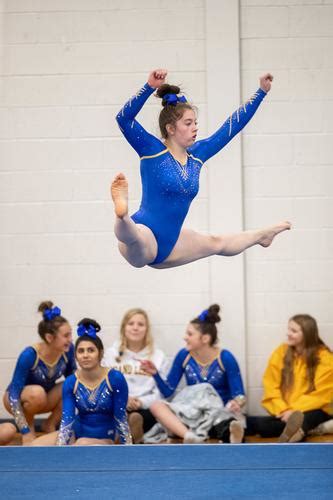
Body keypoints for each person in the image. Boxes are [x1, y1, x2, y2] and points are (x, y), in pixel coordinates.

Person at [111, 68, 290, 269]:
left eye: (195, 123)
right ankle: (122, 213)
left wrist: (261, 92)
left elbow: (232, 127)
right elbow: (123, 119)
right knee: (138, 243)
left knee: (217, 243)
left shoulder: (197, 156)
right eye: (188, 123)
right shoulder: (152, 150)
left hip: (171, 244)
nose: (195, 127)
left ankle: (262, 236)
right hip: (144, 232)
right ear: (170, 129)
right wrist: (149, 87)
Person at [140, 304, 246, 443]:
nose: (185, 337)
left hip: (217, 412)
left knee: (227, 420)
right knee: (156, 406)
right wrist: (155, 374)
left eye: (190, 334)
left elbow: (239, 394)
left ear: (205, 338)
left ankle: (229, 432)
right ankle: (190, 436)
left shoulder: (225, 358)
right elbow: (168, 392)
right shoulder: (184, 356)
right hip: (191, 412)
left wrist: (236, 403)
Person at [32, 318, 132, 446]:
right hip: (78, 433)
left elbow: (120, 417)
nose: (85, 355)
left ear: (100, 354)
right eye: (81, 351)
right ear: (76, 356)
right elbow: (67, 420)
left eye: (91, 350)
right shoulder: (71, 382)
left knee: (82, 443)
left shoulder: (115, 378)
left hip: (107, 436)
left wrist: (128, 450)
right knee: (35, 446)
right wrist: (59, 448)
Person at [248, 314, 333, 442]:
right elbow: (271, 386)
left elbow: (321, 395)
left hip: (313, 410)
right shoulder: (281, 352)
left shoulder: (325, 358)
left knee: (308, 418)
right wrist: (284, 409)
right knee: (261, 425)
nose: (288, 334)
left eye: (294, 331)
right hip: (285, 412)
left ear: (307, 334)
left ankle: (299, 431)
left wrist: (294, 411)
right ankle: (310, 430)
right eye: (288, 329)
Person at [2, 301, 75, 445]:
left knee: (72, 383)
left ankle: (49, 424)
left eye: (70, 334)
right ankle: (29, 428)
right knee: (37, 393)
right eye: (66, 336)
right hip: (16, 399)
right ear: (49, 338)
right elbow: (14, 395)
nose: (70, 339)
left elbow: (74, 380)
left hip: (45, 397)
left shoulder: (68, 351)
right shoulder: (30, 355)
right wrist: (24, 430)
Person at [102, 308, 168, 443]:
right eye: (131, 323)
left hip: (144, 409)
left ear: (147, 329)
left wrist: (141, 402)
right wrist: (123, 400)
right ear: (123, 328)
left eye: (140, 324)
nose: (135, 328)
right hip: (118, 405)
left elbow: (161, 393)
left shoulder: (158, 356)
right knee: (116, 413)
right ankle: (131, 436)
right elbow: (103, 385)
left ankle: (129, 433)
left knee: (139, 416)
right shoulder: (110, 355)